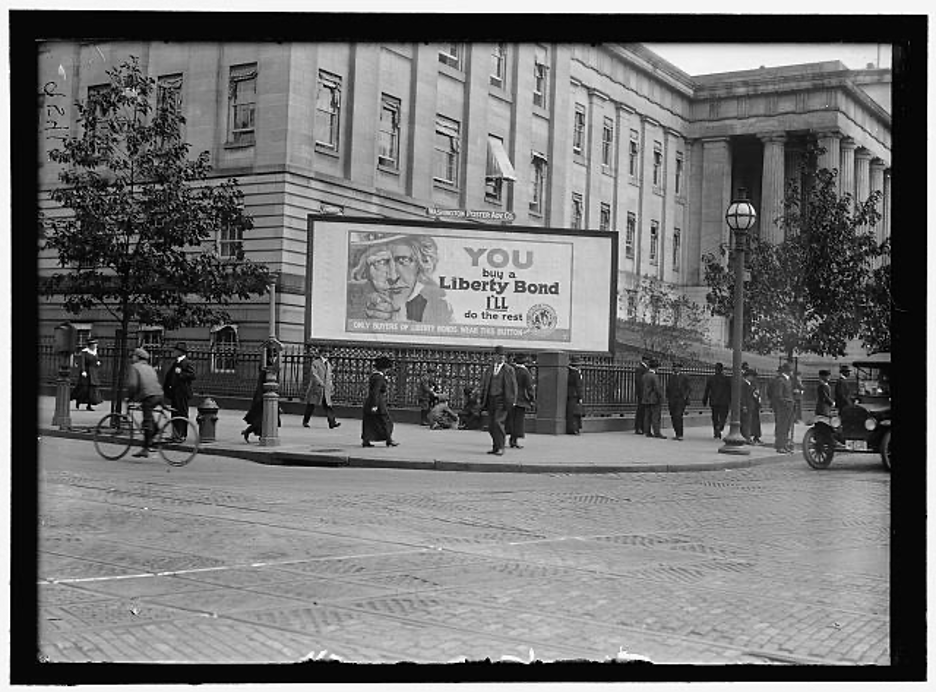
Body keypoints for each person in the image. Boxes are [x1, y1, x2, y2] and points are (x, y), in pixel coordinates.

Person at [347, 233, 453, 324]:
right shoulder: (348, 305)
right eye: (381, 262)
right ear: (365, 270)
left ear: (420, 265)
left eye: (404, 260)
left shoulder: (441, 306)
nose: (393, 277)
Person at [125, 348, 164, 458]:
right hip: (159, 395)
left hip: (149, 396)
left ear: (137, 357)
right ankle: (155, 430)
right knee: (149, 416)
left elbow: (132, 385)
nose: (132, 358)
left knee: (147, 421)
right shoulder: (150, 367)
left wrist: (130, 398)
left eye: (133, 356)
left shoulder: (135, 367)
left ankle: (145, 448)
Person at [479, 345, 517, 454]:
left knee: (498, 422)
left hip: (503, 399)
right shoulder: (489, 369)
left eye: (503, 356)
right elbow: (484, 384)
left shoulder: (509, 369)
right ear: (494, 356)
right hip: (491, 399)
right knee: (491, 425)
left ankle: (501, 447)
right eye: (499, 355)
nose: (501, 358)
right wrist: (481, 397)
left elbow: (514, 386)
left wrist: (513, 400)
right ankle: (495, 446)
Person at [162, 341, 197, 442]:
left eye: (176, 350)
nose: (174, 352)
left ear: (181, 352)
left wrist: (181, 373)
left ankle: (182, 435)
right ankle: (175, 434)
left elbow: (193, 375)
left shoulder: (186, 362)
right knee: (175, 414)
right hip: (175, 393)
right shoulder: (176, 362)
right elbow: (170, 376)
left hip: (182, 393)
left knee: (182, 413)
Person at [361, 356, 398, 447]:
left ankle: (366, 440)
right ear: (384, 368)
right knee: (386, 421)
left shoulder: (374, 376)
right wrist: (375, 405)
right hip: (378, 402)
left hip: (370, 401)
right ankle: (388, 439)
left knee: (369, 422)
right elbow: (376, 392)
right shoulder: (379, 378)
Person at [302, 345, 341, 430]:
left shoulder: (329, 364)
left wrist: (331, 386)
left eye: (328, 352)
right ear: (321, 353)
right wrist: (320, 382)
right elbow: (313, 374)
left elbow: (330, 377)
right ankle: (305, 421)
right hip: (316, 388)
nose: (327, 354)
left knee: (328, 406)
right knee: (311, 405)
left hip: (325, 389)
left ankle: (332, 422)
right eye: (325, 352)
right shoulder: (316, 363)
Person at [242, 365, 281, 442]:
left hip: (268, 397)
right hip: (262, 398)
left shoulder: (271, 372)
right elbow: (260, 386)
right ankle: (249, 432)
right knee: (260, 420)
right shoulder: (265, 372)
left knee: (265, 419)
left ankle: (255, 433)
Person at [508, 354, 535, 449]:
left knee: (510, 419)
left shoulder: (511, 369)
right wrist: (532, 398)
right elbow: (529, 387)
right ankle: (514, 440)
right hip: (521, 399)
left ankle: (508, 437)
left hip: (510, 398)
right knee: (518, 421)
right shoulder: (525, 372)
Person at [702, 362, 731, 439]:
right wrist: (731, 400)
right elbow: (730, 390)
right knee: (723, 416)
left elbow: (707, 390)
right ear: (722, 370)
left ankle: (716, 429)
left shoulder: (711, 379)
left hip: (714, 401)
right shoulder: (727, 379)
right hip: (724, 401)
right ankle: (720, 427)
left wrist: (704, 400)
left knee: (715, 417)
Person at [771, 362, 795, 453]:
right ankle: (780, 445)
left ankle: (784, 445)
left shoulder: (788, 380)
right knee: (782, 426)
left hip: (789, 406)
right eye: (791, 371)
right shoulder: (781, 380)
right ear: (788, 371)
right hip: (783, 407)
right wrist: (786, 402)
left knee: (786, 427)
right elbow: (778, 395)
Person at [73, 337, 103, 411]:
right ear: (90, 345)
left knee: (92, 389)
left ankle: (89, 405)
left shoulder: (95, 352)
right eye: (94, 344)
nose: (96, 346)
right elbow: (82, 362)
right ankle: (79, 401)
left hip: (93, 372)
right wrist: (83, 371)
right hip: (86, 372)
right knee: (84, 389)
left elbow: (97, 360)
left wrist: (98, 362)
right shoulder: (84, 352)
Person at [665, 360, 691, 441]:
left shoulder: (684, 377)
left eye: (677, 367)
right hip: (672, 400)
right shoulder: (671, 377)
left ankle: (680, 434)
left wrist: (685, 397)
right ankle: (676, 433)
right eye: (674, 367)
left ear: (680, 368)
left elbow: (688, 388)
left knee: (678, 416)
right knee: (673, 416)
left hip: (680, 400)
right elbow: (668, 388)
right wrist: (668, 398)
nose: (675, 368)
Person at [642, 358, 665, 439]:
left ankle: (647, 431)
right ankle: (657, 432)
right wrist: (661, 396)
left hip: (646, 398)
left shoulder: (645, 376)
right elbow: (657, 388)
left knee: (647, 416)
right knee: (656, 416)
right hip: (654, 399)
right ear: (656, 367)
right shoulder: (654, 377)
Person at [740, 368, 762, 445]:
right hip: (747, 405)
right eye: (752, 376)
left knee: (748, 422)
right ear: (748, 376)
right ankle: (747, 437)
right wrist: (744, 406)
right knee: (746, 422)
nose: (753, 378)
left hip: (751, 405)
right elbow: (742, 396)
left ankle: (747, 436)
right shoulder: (743, 384)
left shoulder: (749, 384)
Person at [566, 354, 584, 435]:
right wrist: (580, 396)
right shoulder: (576, 373)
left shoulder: (568, 371)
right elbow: (578, 385)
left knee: (571, 412)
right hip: (575, 394)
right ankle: (574, 428)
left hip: (570, 393)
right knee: (575, 413)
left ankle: (572, 428)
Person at [633, 354, 649, 435]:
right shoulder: (640, 369)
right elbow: (639, 382)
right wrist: (643, 392)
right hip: (642, 393)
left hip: (644, 392)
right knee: (640, 410)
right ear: (645, 360)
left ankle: (642, 427)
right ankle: (638, 427)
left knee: (643, 410)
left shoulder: (645, 368)